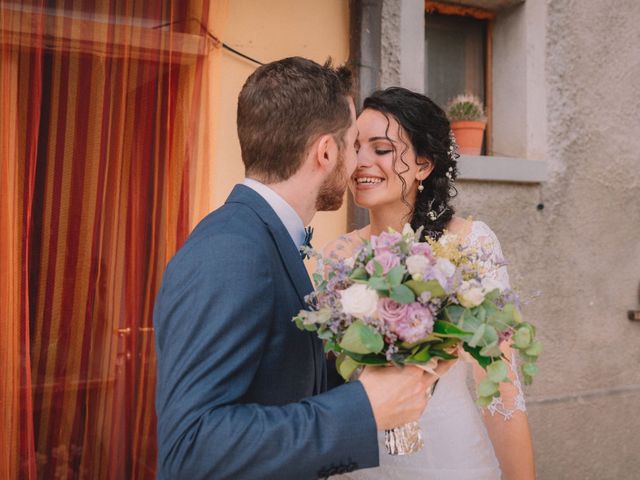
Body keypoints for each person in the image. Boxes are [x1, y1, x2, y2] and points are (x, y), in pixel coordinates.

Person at [153, 58, 447, 480]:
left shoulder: (264, 239)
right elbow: (192, 447)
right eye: (351, 144)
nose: (356, 161)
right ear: (326, 152)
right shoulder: (230, 251)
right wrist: (363, 408)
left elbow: (280, 385)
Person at [329, 87, 535, 480]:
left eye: (381, 149)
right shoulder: (337, 257)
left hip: (450, 460)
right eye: (355, 146)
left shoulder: (470, 245)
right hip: (360, 464)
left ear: (423, 165)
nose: (360, 162)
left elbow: (502, 388)